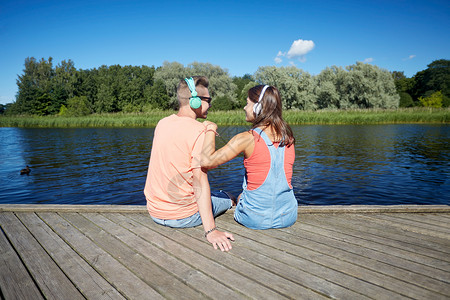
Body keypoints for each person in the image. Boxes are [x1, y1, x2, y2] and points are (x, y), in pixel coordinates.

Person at [144, 76, 234, 251]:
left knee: (214, 194)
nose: (211, 105)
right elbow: (200, 180)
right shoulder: (199, 131)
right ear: (195, 101)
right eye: (208, 100)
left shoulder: (162, 123)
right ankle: (229, 201)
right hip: (183, 217)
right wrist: (211, 231)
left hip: (155, 212)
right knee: (229, 197)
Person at [201, 85, 298, 229]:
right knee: (243, 195)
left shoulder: (247, 138)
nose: (244, 108)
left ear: (258, 108)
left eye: (247, 103)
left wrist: (209, 129)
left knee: (237, 197)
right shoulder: (288, 138)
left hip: (254, 219)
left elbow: (207, 162)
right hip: (288, 216)